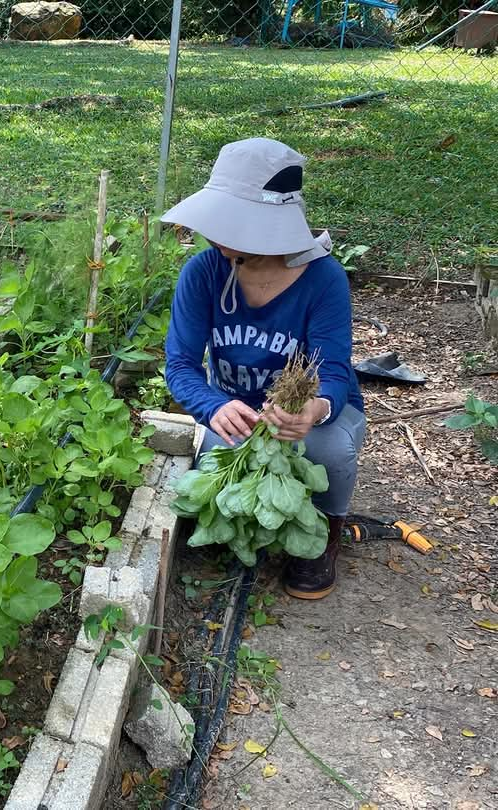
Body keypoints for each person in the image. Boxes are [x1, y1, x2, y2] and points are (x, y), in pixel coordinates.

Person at [162, 137, 366, 600]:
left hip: (312, 414)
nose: (214, 233)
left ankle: (326, 530)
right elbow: (180, 366)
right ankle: (261, 525)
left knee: (328, 449)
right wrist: (214, 406)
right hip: (238, 412)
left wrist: (312, 410)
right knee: (217, 456)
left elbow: (334, 372)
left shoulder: (323, 279)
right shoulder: (203, 273)